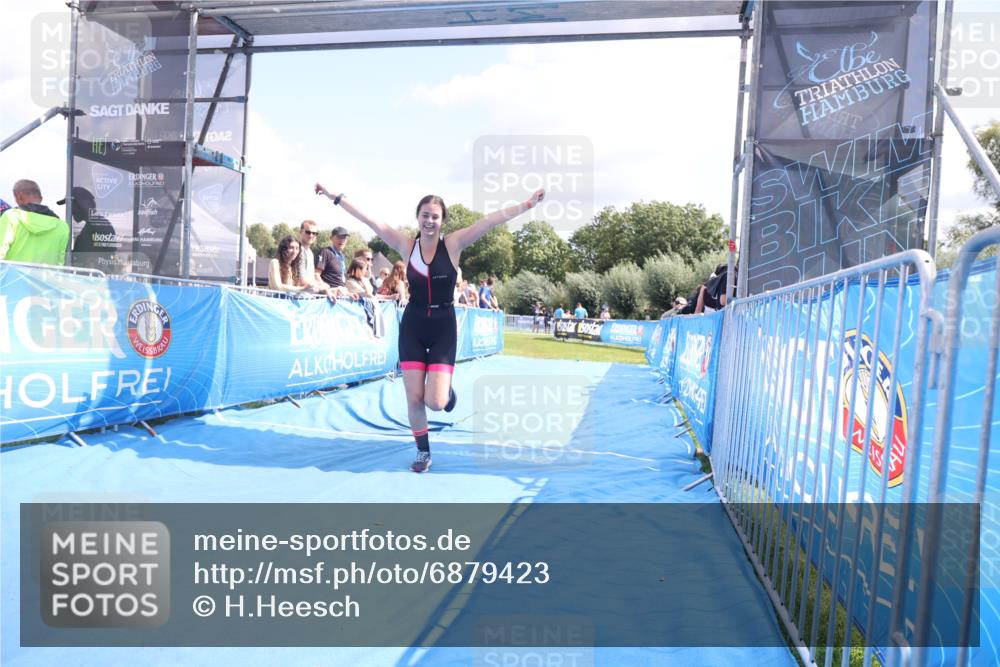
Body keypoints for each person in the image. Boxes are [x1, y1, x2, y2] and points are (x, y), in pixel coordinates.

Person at [315, 181, 544, 472]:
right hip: (413, 323)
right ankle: (423, 451)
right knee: (414, 396)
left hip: (443, 326)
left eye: (435, 216)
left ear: (443, 220)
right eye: (424, 215)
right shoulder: (406, 246)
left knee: (435, 402)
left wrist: (526, 205)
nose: (429, 221)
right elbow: (369, 219)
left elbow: (490, 221)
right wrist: (335, 197)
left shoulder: (454, 244)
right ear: (418, 218)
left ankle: (446, 393)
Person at [0, 179, 69, 265]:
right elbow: (60, 263)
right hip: (45, 278)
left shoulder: (11, 217)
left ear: (19, 197)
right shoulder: (62, 226)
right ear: (41, 198)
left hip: (13, 278)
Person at [57, 186, 118, 266]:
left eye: (72, 207)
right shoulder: (94, 224)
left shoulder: (99, 225)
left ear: (80, 205)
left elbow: (106, 257)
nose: (71, 212)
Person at [269, 235, 335, 298]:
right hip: (276, 301)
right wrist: (302, 289)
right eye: (291, 248)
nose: (294, 251)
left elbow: (300, 285)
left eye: (297, 248)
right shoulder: (275, 262)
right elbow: (278, 287)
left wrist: (325, 288)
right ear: (284, 249)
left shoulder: (293, 267)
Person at [316, 225, 351, 297]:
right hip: (329, 296)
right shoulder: (325, 252)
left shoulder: (342, 256)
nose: (342, 240)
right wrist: (326, 289)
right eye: (339, 237)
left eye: (344, 238)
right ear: (331, 238)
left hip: (341, 294)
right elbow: (316, 274)